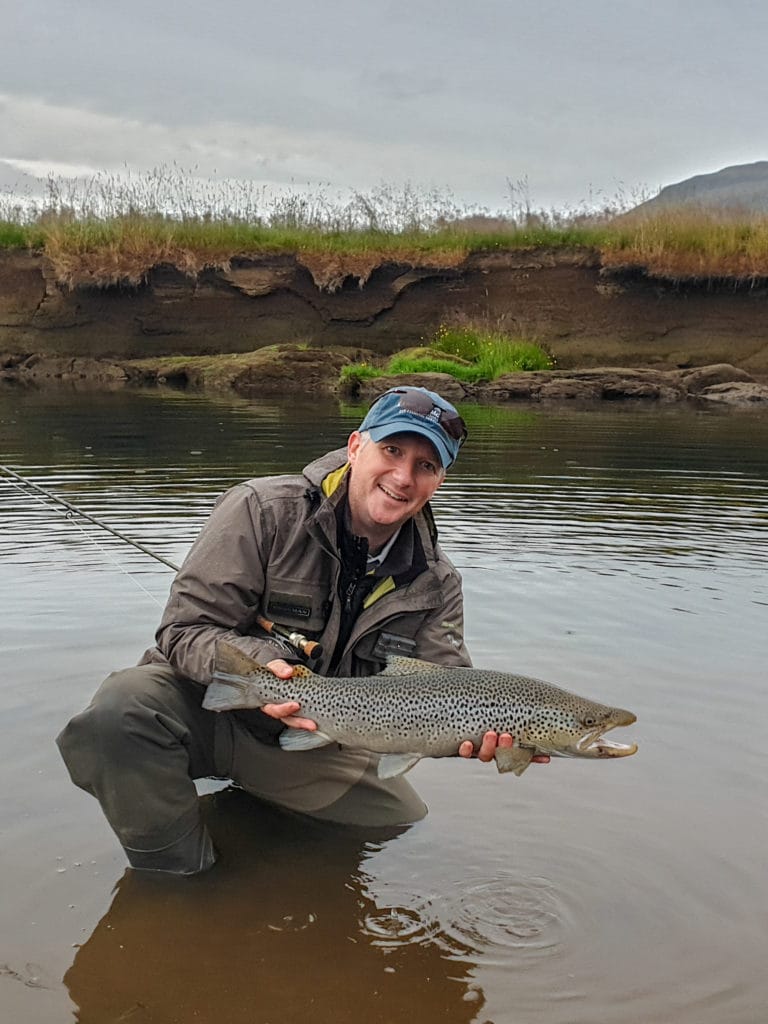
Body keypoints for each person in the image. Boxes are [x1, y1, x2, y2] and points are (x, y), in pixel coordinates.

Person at [57, 385, 547, 876]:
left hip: (321, 735)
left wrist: (481, 737)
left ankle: (253, 809)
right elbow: (185, 629)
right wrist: (260, 666)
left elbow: (447, 685)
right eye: (392, 450)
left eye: (426, 465)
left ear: (439, 480)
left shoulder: (436, 583)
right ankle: (176, 879)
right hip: (210, 708)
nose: (403, 476)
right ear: (356, 446)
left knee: (400, 827)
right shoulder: (261, 509)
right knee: (119, 713)